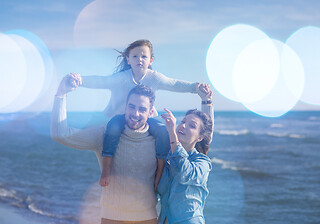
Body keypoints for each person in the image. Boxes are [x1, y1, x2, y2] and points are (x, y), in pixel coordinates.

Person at [70, 39, 206, 190]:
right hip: (121, 117)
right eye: (134, 56)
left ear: (151, 60)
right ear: (128, 59)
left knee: (161, 130)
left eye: (144, 56)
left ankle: (159, 172)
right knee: (113, 127)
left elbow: (173, 83)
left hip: (146, 118)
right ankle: (106, 170)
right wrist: (80, 80)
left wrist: (195, 88)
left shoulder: (154, 77)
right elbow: (102, 81)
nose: (139, 60)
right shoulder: (122, 77)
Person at [52, 78, 160, 223]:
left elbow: (197, 142)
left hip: (148, 218)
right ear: (125, 107)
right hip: (112, 218)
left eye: (142, 109)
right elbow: (60, 134)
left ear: (151, 112)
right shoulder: (104, 135)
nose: (135, 113)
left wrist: (203, 101)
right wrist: (61, 94)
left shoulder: (158, 140)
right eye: (131, 107)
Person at [157, 84, 214, 224]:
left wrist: (172, 133)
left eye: (192, 125)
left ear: (200, 137)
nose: (183, 126)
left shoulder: (202, 162)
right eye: (183, 122)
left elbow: (184, 173)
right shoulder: (168, 157)